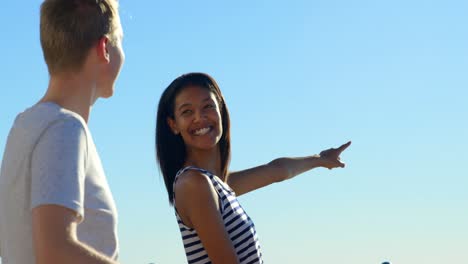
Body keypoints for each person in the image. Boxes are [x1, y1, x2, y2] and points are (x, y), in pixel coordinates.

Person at [155, 72, 351, 264]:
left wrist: (320, 159)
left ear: (220, 110)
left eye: (208, 106)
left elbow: (277, 170)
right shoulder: (194, 184)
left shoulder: (216, 184)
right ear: (173, 124)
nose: (200, 117)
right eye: (187, 111)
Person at [0, 0, 124, 263]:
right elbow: (55, 251)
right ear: (104, 49)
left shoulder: (23, 126)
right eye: (120, 42)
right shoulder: (65, 128)